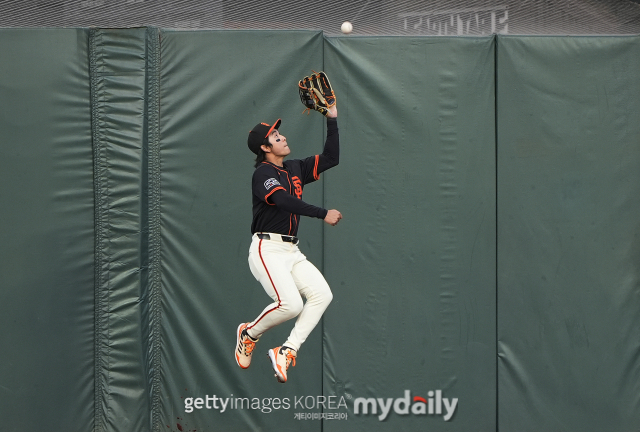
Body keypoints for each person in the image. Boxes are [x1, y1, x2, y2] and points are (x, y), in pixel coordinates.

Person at [235, 104, 341, 383]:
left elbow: (331, 157)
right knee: (291, 305)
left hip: (290, 250)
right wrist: (322, 213)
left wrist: (332, 118)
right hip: (266, 249)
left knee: (322, 295)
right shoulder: (263, 174)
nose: (282, 137)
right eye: (275, 136)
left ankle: (286, 350)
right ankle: (248, 333)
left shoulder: (295, 168)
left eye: (280, 133)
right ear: (265, 148)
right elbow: (282, 200)